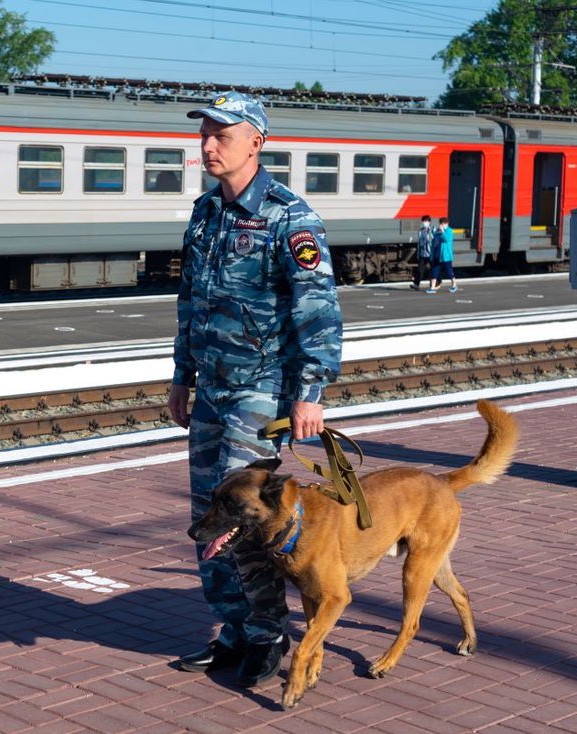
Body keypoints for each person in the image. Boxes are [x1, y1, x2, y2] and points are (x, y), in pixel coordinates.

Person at [169, 91, 342, 688]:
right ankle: (232, 630)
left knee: (244, 521)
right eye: (205, 133)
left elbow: (317, 311)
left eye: (222, 134)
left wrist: (310, 391)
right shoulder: (205, 212)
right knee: (207, 517)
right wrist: (181, 376)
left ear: (256, 143)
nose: (208, 144)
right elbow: (190, 302)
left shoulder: (291, 218)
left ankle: (268, 633)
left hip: (259, 393)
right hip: (212, 390)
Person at [427, 216, 457, 293]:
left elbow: (447, 239)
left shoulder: (449, 231)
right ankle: (433, 287)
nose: (441, 225)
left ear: (446, 224)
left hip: (445, 255)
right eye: (440, 223)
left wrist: (443, 231)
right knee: (434, 270)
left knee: (448, 270)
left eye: (443, 224)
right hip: (437, 254)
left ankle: (454, 284)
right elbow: (433, 240)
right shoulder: (438, 231)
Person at [410, 214, 434, 290]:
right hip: (422, 253)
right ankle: (417, 284)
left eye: (426, 221)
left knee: (432, 269)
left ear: (429, 222)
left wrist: (429, 233)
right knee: (420, 269)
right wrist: (418, 253)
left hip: (430, 253)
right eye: (423, 221)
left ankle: (434, 284)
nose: (424, 222)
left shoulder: (433, 229)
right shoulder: (421, 230)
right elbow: (419, 243)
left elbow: (433, 239)